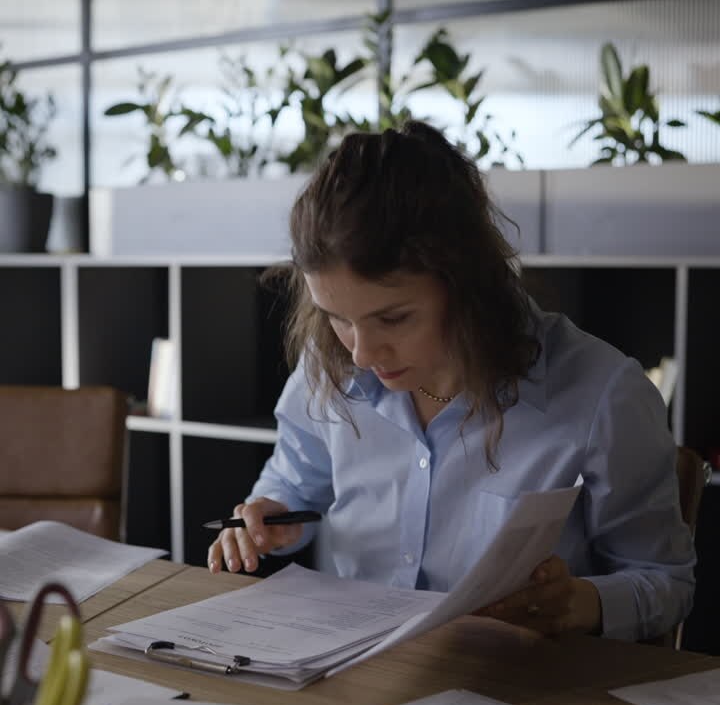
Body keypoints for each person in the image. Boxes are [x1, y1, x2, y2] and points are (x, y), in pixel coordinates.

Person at [208, 120, 695, 642]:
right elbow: (294, 482)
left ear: (468, 287)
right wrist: (273, 514)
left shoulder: (602, 396)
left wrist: (581, 604)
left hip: (514, 692)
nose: (362, 351)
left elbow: (664, 583)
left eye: (393, 319)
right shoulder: (329, 361)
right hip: (346, 669)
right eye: (337, 316)